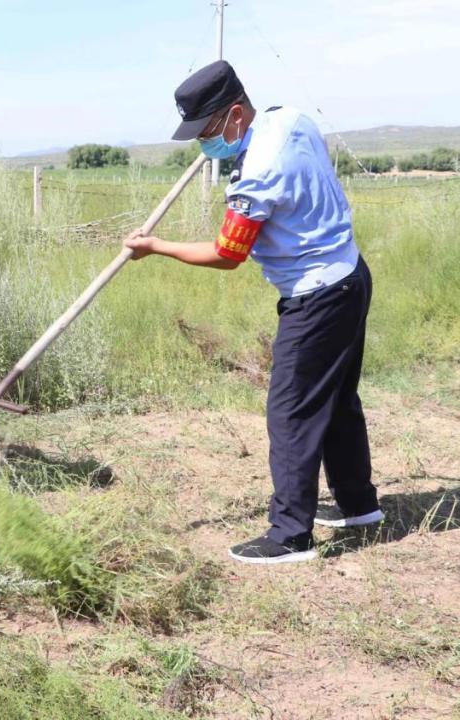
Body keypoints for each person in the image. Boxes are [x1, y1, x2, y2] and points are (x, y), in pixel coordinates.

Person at [125, 60, 382, 564]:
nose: (204, 143)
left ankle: (290, 535)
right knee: (335, 399)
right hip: (350, 273)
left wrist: (156, 247)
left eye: (208, 130)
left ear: (236, 113)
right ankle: (358, 506)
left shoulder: (258, 171)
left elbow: (227, 254)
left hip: (317, 297)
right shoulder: (290, 119)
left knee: (291, 411)